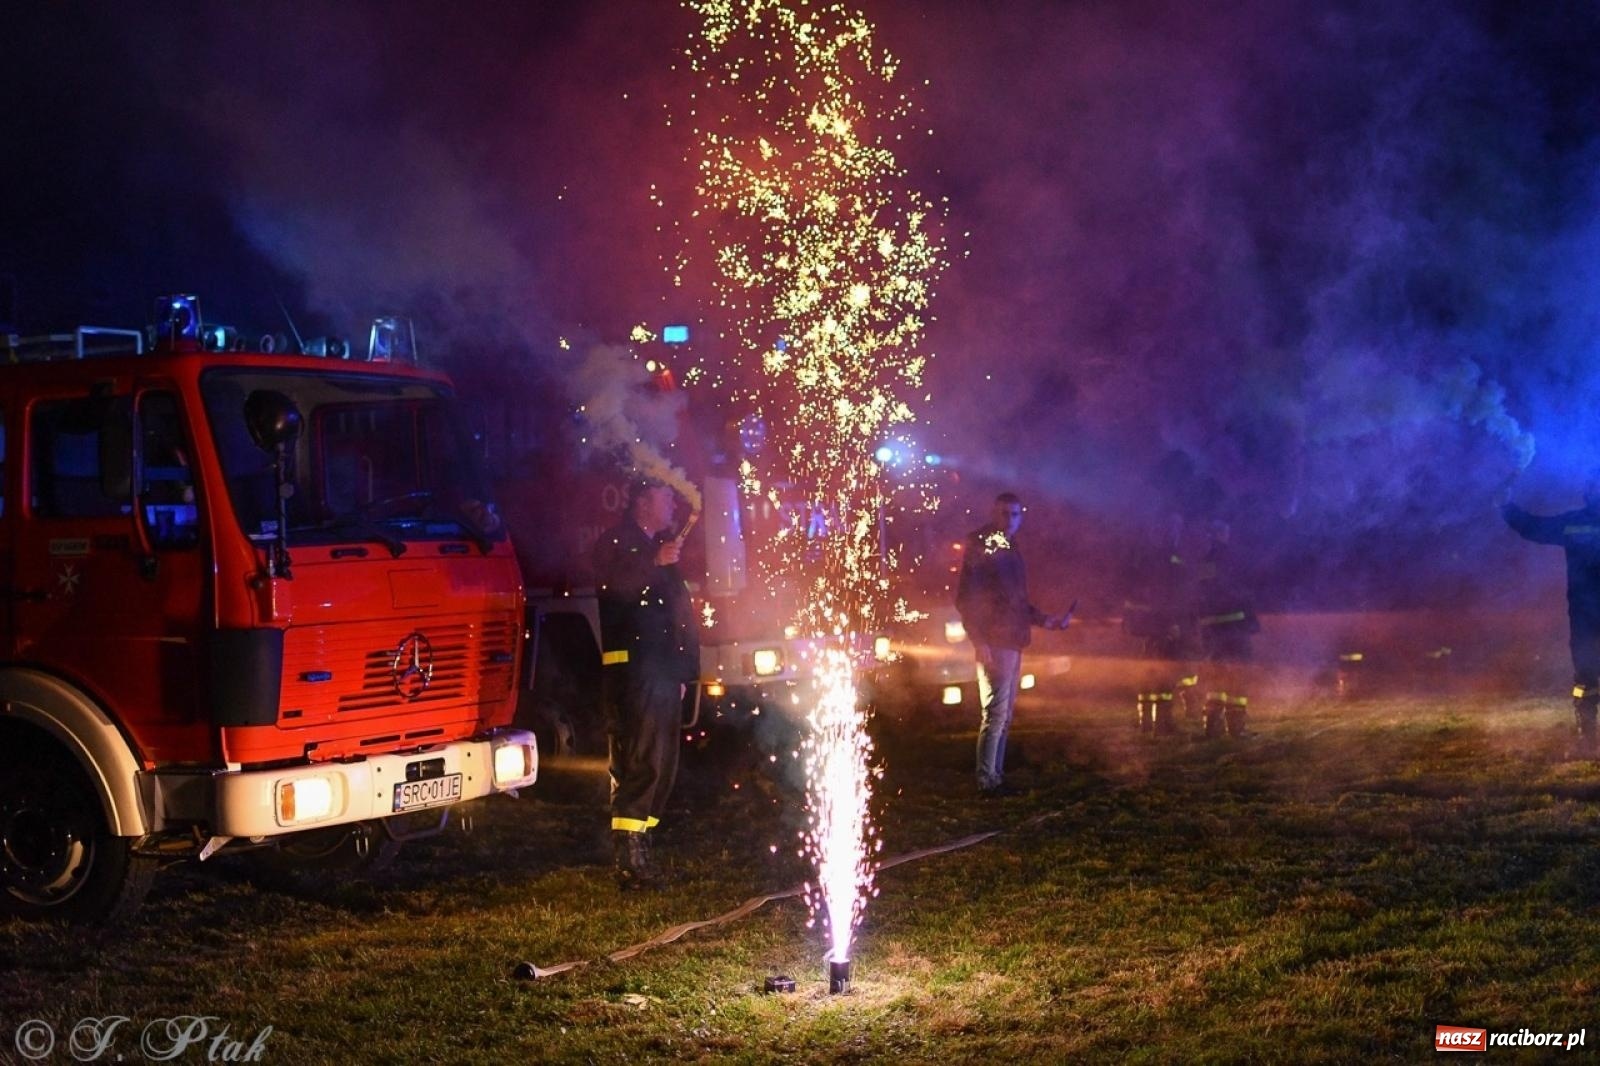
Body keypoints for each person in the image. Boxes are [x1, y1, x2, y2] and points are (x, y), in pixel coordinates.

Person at [593, 478, 700, 887]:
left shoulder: (662, 546)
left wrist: (683, 673)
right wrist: (653, 562)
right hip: (634, 670)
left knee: (663, 765)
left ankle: (643, 847)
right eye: (664, 496)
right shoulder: (616, 543)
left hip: (663, 672)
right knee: (641, 761)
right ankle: (628, 862)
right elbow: (614, 587)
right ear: (642, 501)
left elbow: (679, 614)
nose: (672, 503)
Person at [955, 492, 1071, 796]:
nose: (1011, 520)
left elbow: (1016, 601)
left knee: (1003, 715)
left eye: (1016, 514)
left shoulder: (1010, 547)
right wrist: (979, 641)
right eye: (1005, 513)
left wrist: (1046, 621)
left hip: (1012, 639)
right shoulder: (983, 545)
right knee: (995, 713)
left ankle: (995, 776)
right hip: (996, 640)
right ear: (994, 513)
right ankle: (986, 780)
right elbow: (968, 599)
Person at [1503, 472, 1600, 756]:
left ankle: (1587, 740)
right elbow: (1534, 527)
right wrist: (1506, 506)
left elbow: (1533, 527)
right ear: (1587, 493)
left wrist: (1505, 506)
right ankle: (1588, 740)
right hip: (1584, 615)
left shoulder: (1574, 523)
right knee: (1586, 679)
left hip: (1583, 613)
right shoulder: (1573, 523)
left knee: (1587, 678)